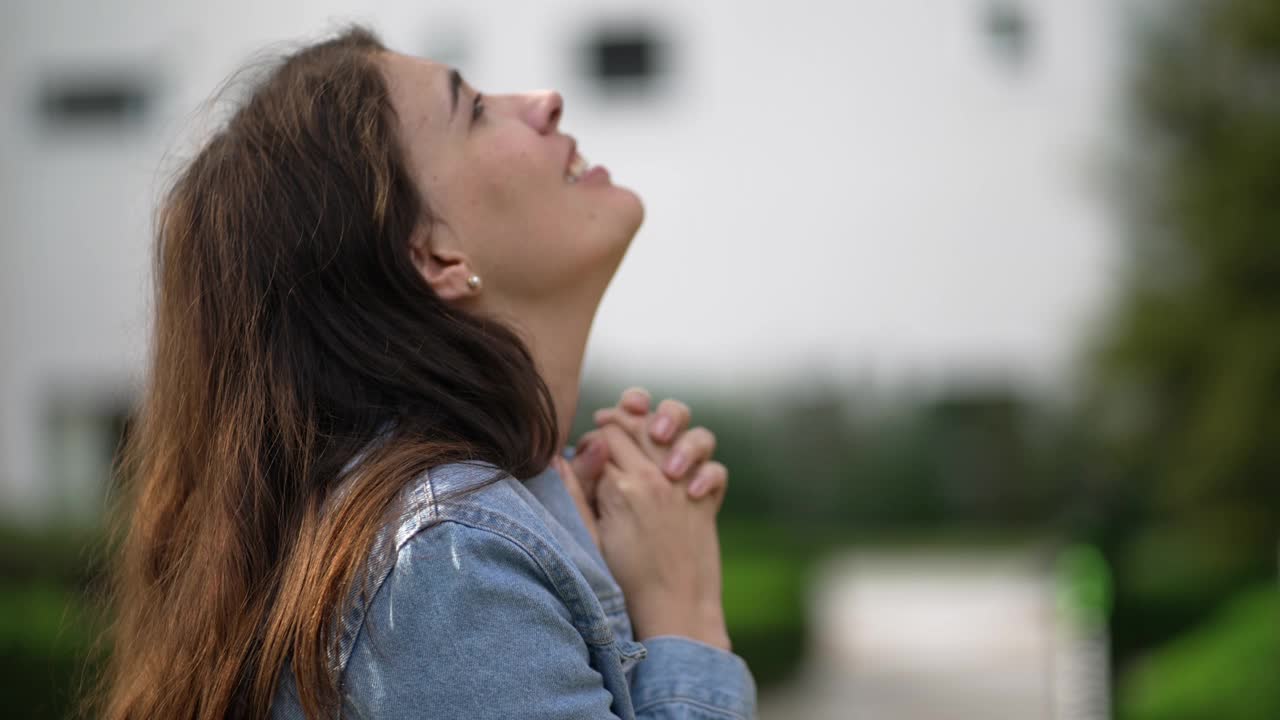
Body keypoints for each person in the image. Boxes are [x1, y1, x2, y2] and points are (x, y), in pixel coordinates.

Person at [93, 25, 757, 720]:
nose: (546, 100)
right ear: (433, 256)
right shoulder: (450, 558)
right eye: (473, 110)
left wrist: (583, 539)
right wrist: (685, 615)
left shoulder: (463, 537)